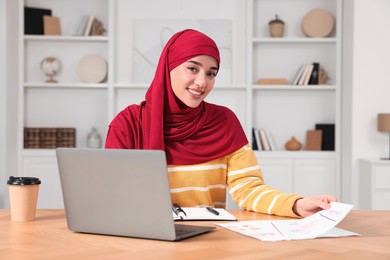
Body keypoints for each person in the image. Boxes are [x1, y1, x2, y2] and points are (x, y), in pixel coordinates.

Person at [105, 29, 336, 218]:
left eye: (211, 73)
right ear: (168, 68)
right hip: (146, 242)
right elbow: (113, 196)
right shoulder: (128, 124)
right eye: (193, 68)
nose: (201, 82)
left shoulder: (224, 122)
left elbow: (249, 190)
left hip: (212, 240)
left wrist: (296, 205)